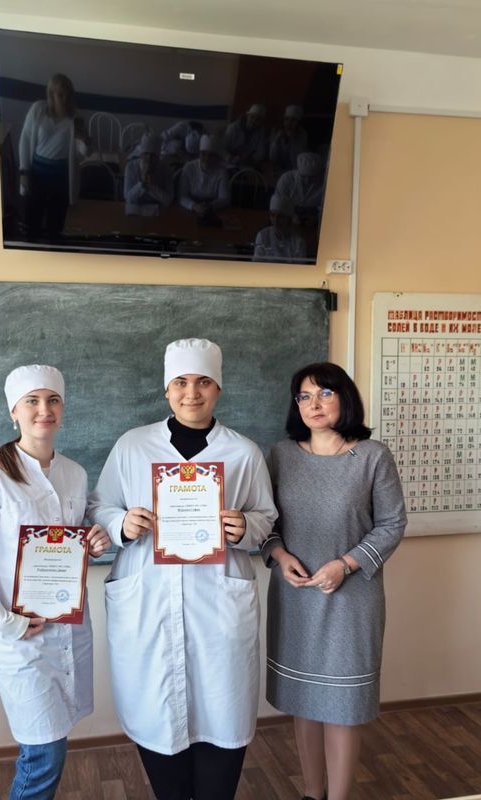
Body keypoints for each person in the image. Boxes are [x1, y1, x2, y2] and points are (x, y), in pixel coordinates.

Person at [87, 338, 277, 800]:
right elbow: (99, 506)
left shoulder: (243, 452)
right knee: (156, 713)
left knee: (222, 711)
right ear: (166, 389)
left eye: (203, 382)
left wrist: (244, 526)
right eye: (181, 382)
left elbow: (266, 517)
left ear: (219, 389)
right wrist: (122, 523)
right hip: (148, 599)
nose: (192, 393)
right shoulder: (133, 446)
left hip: (219, 602)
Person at [0, 364, 110, 800]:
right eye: (33, 401)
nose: (44, 410)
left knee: (48, 743)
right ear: (14, 412)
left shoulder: (75, 473)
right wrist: (6, 620)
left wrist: (94, 541)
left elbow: (76, 540)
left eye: (53, 400)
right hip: (20, 635)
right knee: (43, 753)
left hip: (67, 625)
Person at [261, 362, 407, 800]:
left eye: (325, 393)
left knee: (343, 706)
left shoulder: (372, 456)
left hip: (351, 598)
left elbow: (392, 524)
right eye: (304, 396)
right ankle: (313, 792)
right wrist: (279, 555)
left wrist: (345, 564)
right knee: (303, 699)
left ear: (345, 398)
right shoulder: (280, 456)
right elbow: (265, 523)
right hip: (295, 595)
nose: (314, 404)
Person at [18, 74, 89, 242]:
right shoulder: (38, 109)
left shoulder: (76, 118)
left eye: (68, 95)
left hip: (61, 180)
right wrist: (24, 172)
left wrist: (85, 141)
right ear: (51, 94)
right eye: (61, 94)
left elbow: (83, 153)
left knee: (56, 227)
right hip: (36, 176)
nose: (65, 99)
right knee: (31, 223)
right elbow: (25, 139)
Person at [178, 135, 230, 224]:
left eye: (211, 155)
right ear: (199, 154)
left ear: (217, 156)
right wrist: (194, 206)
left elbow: (225, 198)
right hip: (190, 210)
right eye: (203, 154)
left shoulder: (221, 171)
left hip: (214, 210)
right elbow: (182, 196)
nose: (207, 159)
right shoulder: (189, 167)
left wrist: (210, 206)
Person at [124, 132, 174, 216]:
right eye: (146, 154)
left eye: (153, 156)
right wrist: (142, 184)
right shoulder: (131, 167)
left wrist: (151, 186)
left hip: (159, 212)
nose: (149, 159)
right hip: (135, 212)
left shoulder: (165, 169)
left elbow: (168, 201)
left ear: (158, 157)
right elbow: (128, 199)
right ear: (141, 154)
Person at [274, 151, 324, 225]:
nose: (307, 180)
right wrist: (290, 216)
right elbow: (278, 202)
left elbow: (326, 206)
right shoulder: (286, 179)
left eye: (311, 177)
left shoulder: (324, 182)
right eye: (303, 177)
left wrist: (317, 218)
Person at [253, 194, 307, 262]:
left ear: (289, 219)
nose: (276, 220)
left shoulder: (298, 242)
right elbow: (257, 263)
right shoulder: (263, 236)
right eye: (273, 215)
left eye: (281, 216)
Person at [268, 104, 308, 172]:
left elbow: (297, 161)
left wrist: (293, 139)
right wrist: (276, 141)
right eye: (286, 119)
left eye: (293, 120)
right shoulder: (275, 131)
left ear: (298, 122)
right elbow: (272, 158)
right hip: (276, 169)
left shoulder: (302, 134)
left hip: (293, 170)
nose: (288, 123)